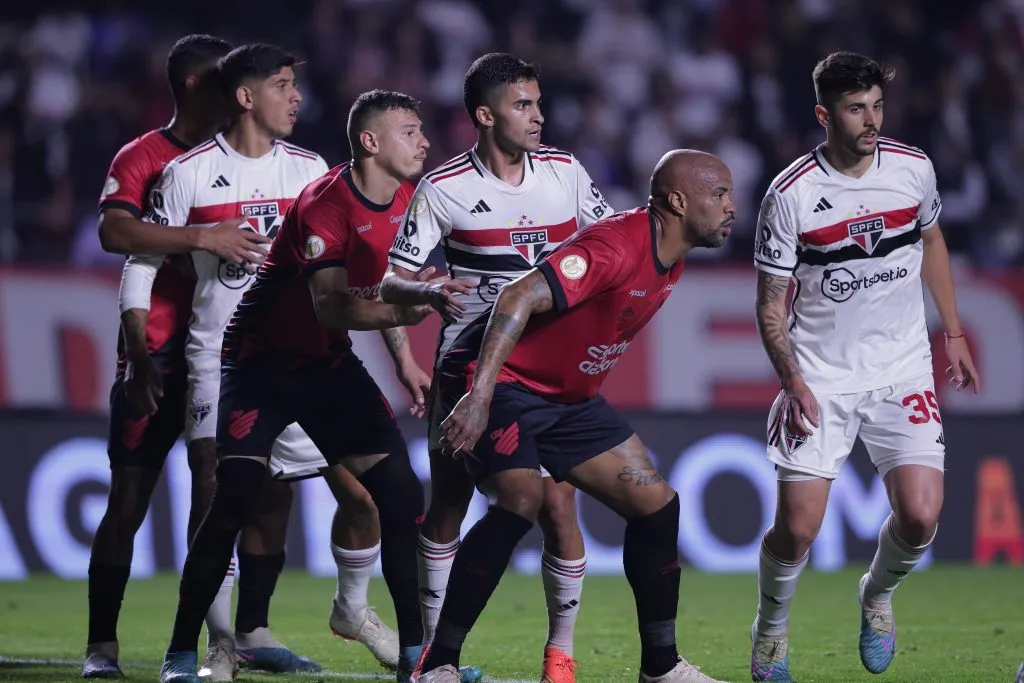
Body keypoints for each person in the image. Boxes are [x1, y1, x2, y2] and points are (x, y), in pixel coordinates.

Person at [155, 87, 446, 683]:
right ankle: (184, 652)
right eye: (411, 131)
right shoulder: (324, 201)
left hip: (324, 366)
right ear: (370, 142)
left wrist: (404, 357)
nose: (425, 142)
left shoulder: (414, 201)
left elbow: (388, 287)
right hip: (258, 364)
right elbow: (332, 307)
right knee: (232, 498)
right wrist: (413, 309)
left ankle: (417, 659)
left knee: (398, 497)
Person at [415, 149, 735, 683]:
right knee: (521, 498)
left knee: (656, 504)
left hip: (567, 400)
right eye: (720, 194)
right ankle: (438, 664)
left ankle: (661, 667)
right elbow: (516, 296)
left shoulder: (673, 254)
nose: (731, 206)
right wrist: (479, 395)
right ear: (678, 201)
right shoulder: (616, 246)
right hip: (500, 381)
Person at [749, 51, 980, 682]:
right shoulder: (791, 195)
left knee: (922, 513)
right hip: (821, 377)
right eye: (856, 109)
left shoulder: (912, 170)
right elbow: (771, 306)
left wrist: (951, 331)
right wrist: (792, 381)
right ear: (825, 114)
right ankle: (770, 631)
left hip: (903, 367)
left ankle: (875, 596)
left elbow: (932, 240)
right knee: (796, 530)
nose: (871, 120)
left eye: (878, 106)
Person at [380, 53, 611, 682]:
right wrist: (425, 292)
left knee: (558, 508)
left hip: (547, 371)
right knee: (449, 502)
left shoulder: (565, 174)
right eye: (523, 105)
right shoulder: (444, 188)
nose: (538, 117)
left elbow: (612, 242)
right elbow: (389, 277)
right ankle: (435, 656)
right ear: (485, 115)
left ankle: (559, 654)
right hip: (467, 367)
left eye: (538, 103)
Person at [116, 42, 330, 681]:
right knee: (214, 487)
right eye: (284, 85)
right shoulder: (188, 172)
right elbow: (139, 263)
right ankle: (210, 647)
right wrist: (138, 355)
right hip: (216, 355)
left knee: (283, 491)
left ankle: (260, 628)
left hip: (294, 357)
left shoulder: (311, 169)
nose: (297, 97)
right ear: (247, 96)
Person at [84, 33, 272, 681]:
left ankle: (188, 649)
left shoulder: (252, 162)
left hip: (220, 355)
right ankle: (100, 648)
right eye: (228, 83)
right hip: (156, 353)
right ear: (199, 85)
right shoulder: (146, 156)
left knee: (213, 495)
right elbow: (115, 231)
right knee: (128, 497)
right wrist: (201, 236)